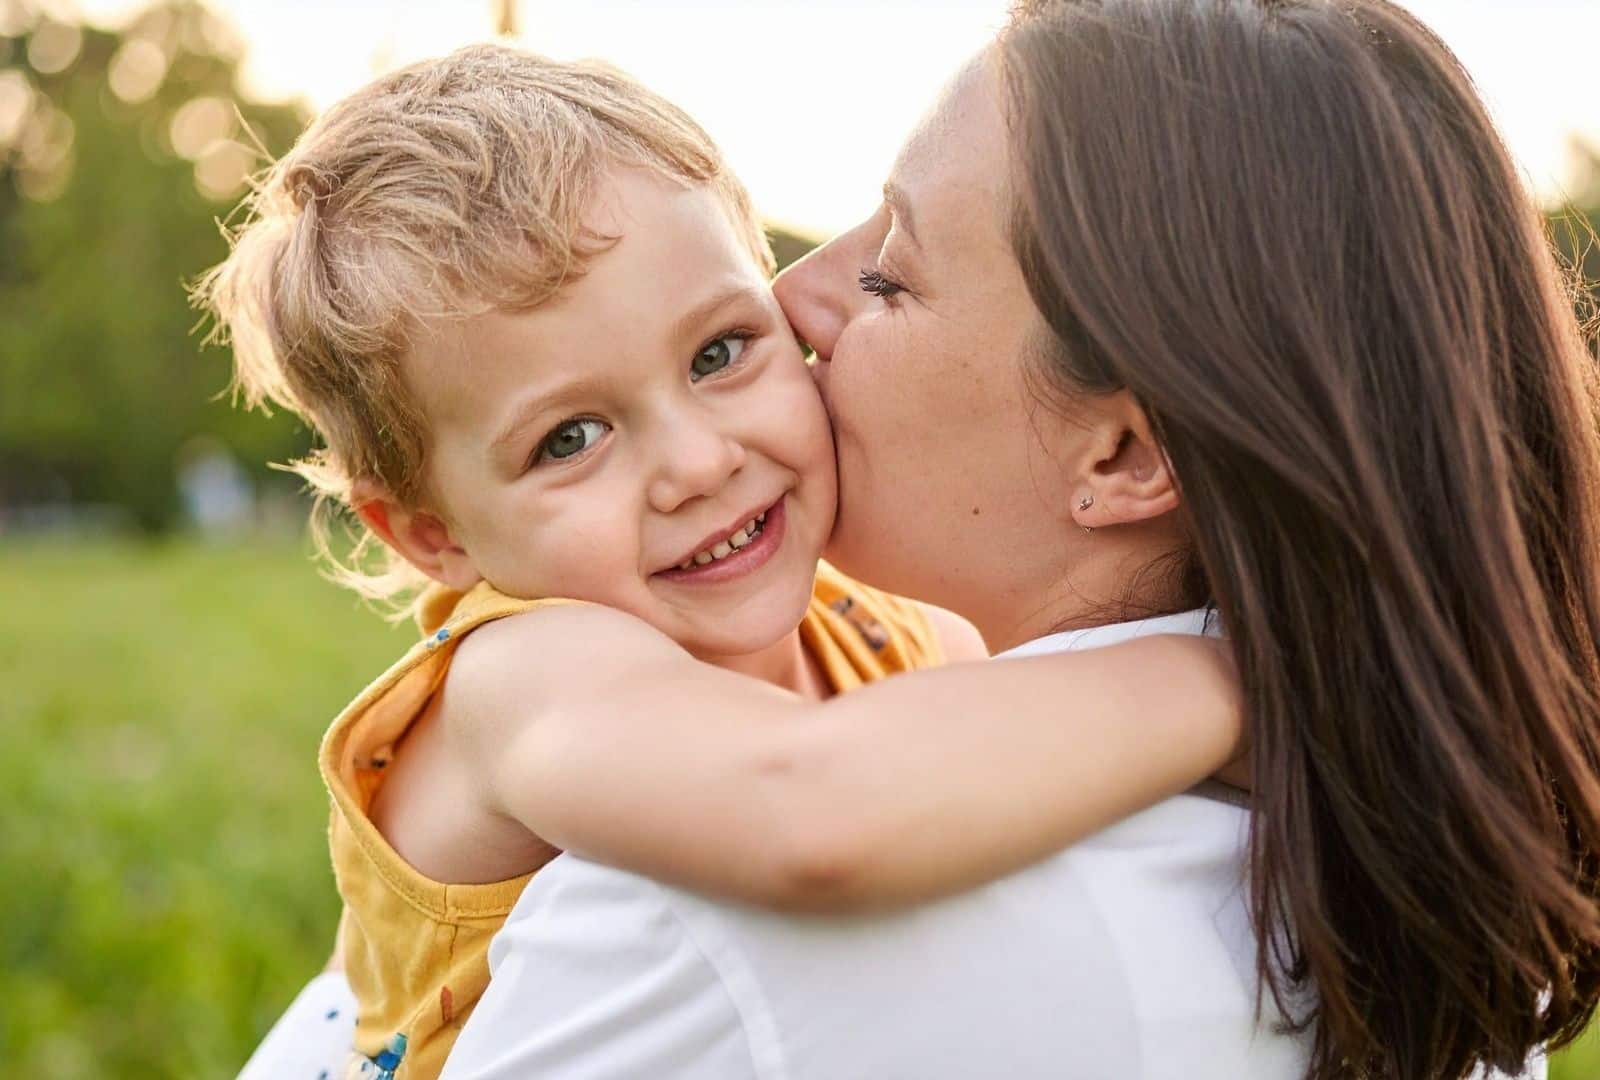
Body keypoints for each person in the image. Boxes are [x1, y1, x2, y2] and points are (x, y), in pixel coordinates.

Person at [438, 1, 1600, 1078]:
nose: (796, 299)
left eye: (891, 275)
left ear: (1126, 458)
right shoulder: (1425, 893)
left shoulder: (717, 911)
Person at [208, 45, 1247, 1080]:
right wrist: (1231, 676)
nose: (700, 464)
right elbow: (815, 816)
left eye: (720, 353)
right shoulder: (523, 679)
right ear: (433, 534)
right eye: (569, 439)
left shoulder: (877, 626)